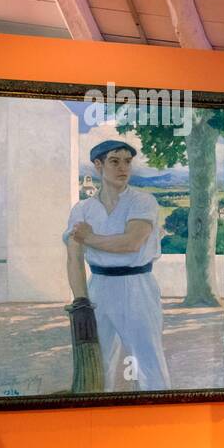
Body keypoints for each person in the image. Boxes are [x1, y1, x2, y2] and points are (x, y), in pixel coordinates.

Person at [63, 138, 170, 391]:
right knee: (98, 365)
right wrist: (81, 301)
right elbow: (74, 256)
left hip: (138, 286)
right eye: (114, 161)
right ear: (98, 166)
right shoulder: (83, 209)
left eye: (127, 162)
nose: (123, 168)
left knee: (148, 360)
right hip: (98, 287)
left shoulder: (142, 202)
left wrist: (90, 238)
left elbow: (132, 243)